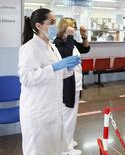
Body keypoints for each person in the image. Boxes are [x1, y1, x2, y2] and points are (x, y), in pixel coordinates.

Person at [19, 8, 81, 155]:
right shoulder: (29, 48)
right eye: (51, 22)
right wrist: (53, 68)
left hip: (53, 109)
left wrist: (68, 68)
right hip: (37, 111)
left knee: (53, 149)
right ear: (39, 26)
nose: (55, 26)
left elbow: (58, 74)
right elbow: (26, 78)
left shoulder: (51, 47)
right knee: (38, 150)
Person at [53, 18, 90, 155]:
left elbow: (85, 49)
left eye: (74, 26)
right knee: (67, 115)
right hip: (67, 84)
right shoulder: (58, 43)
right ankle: (66, 148)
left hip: (76, 83)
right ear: (64, 27)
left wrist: (84, 35)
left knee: (71, 115)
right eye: (70, 26)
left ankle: (68, 140)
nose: (73, 28)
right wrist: (69, 36)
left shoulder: (71, 41)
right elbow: (67, 55)